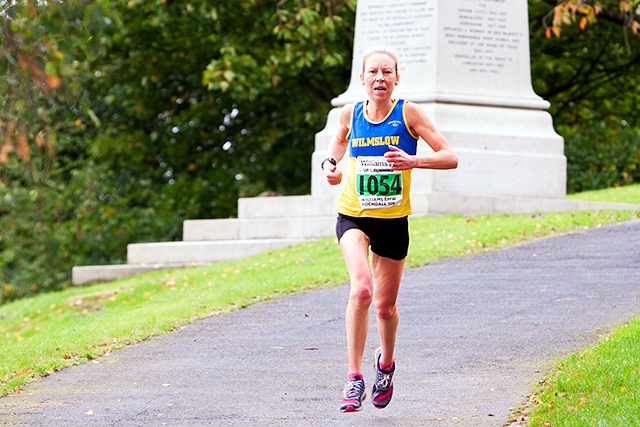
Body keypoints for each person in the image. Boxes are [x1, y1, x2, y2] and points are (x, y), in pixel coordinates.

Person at [321, 46, 458, 413]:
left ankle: (385, 365)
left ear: (396, 79)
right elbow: (337, 143)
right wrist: (330, 165)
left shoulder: (409, 113)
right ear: (362, 79)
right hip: (353, 215)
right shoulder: (350, 113)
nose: (379, 78)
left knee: (384, 307)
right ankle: (353, 378)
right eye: (373, 73)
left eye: (386, 72)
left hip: (393, 221)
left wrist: (414, 160)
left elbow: (450, 156)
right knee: (361, 289)